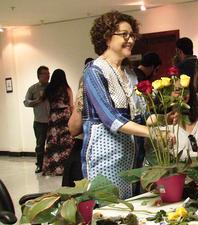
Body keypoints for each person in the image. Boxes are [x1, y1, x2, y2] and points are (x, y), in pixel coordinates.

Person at [82, 11, 153, 199]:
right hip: (107, 159)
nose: (130, 40)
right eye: (124, 35)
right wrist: (151, 133)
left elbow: (142, 114)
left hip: (134, 158)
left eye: (132, 35)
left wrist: (162, 121)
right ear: (107, 38)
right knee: (110, 211)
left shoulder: (130, 74)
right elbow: (110, 118)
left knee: (133, 208)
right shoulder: (94, 71)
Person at [62, 58, 93, 186]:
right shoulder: (90, 77)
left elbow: (74, 128)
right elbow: (74, 128)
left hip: (86, 150)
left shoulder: (88, 76)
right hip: (83, 150)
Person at [42, 69, 74, 176]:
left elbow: (45, 104)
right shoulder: (66, 89)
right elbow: (71, 105)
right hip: (64, 116)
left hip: (53, 117)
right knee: (65, 142)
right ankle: (66, 168)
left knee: (53, 142)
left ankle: (52, 168)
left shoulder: (49, 89)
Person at [23, 66, 50, 173]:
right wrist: (37, 100)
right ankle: (39, 165)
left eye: (48, 73)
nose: (48, 75)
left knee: (53, 144)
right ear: (39, 75)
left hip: (52, 121)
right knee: (40, 145)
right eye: (45, 73)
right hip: (40, 122)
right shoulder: (33, 89)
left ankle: (51, 164)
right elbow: (26, 102)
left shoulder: (52, 87)